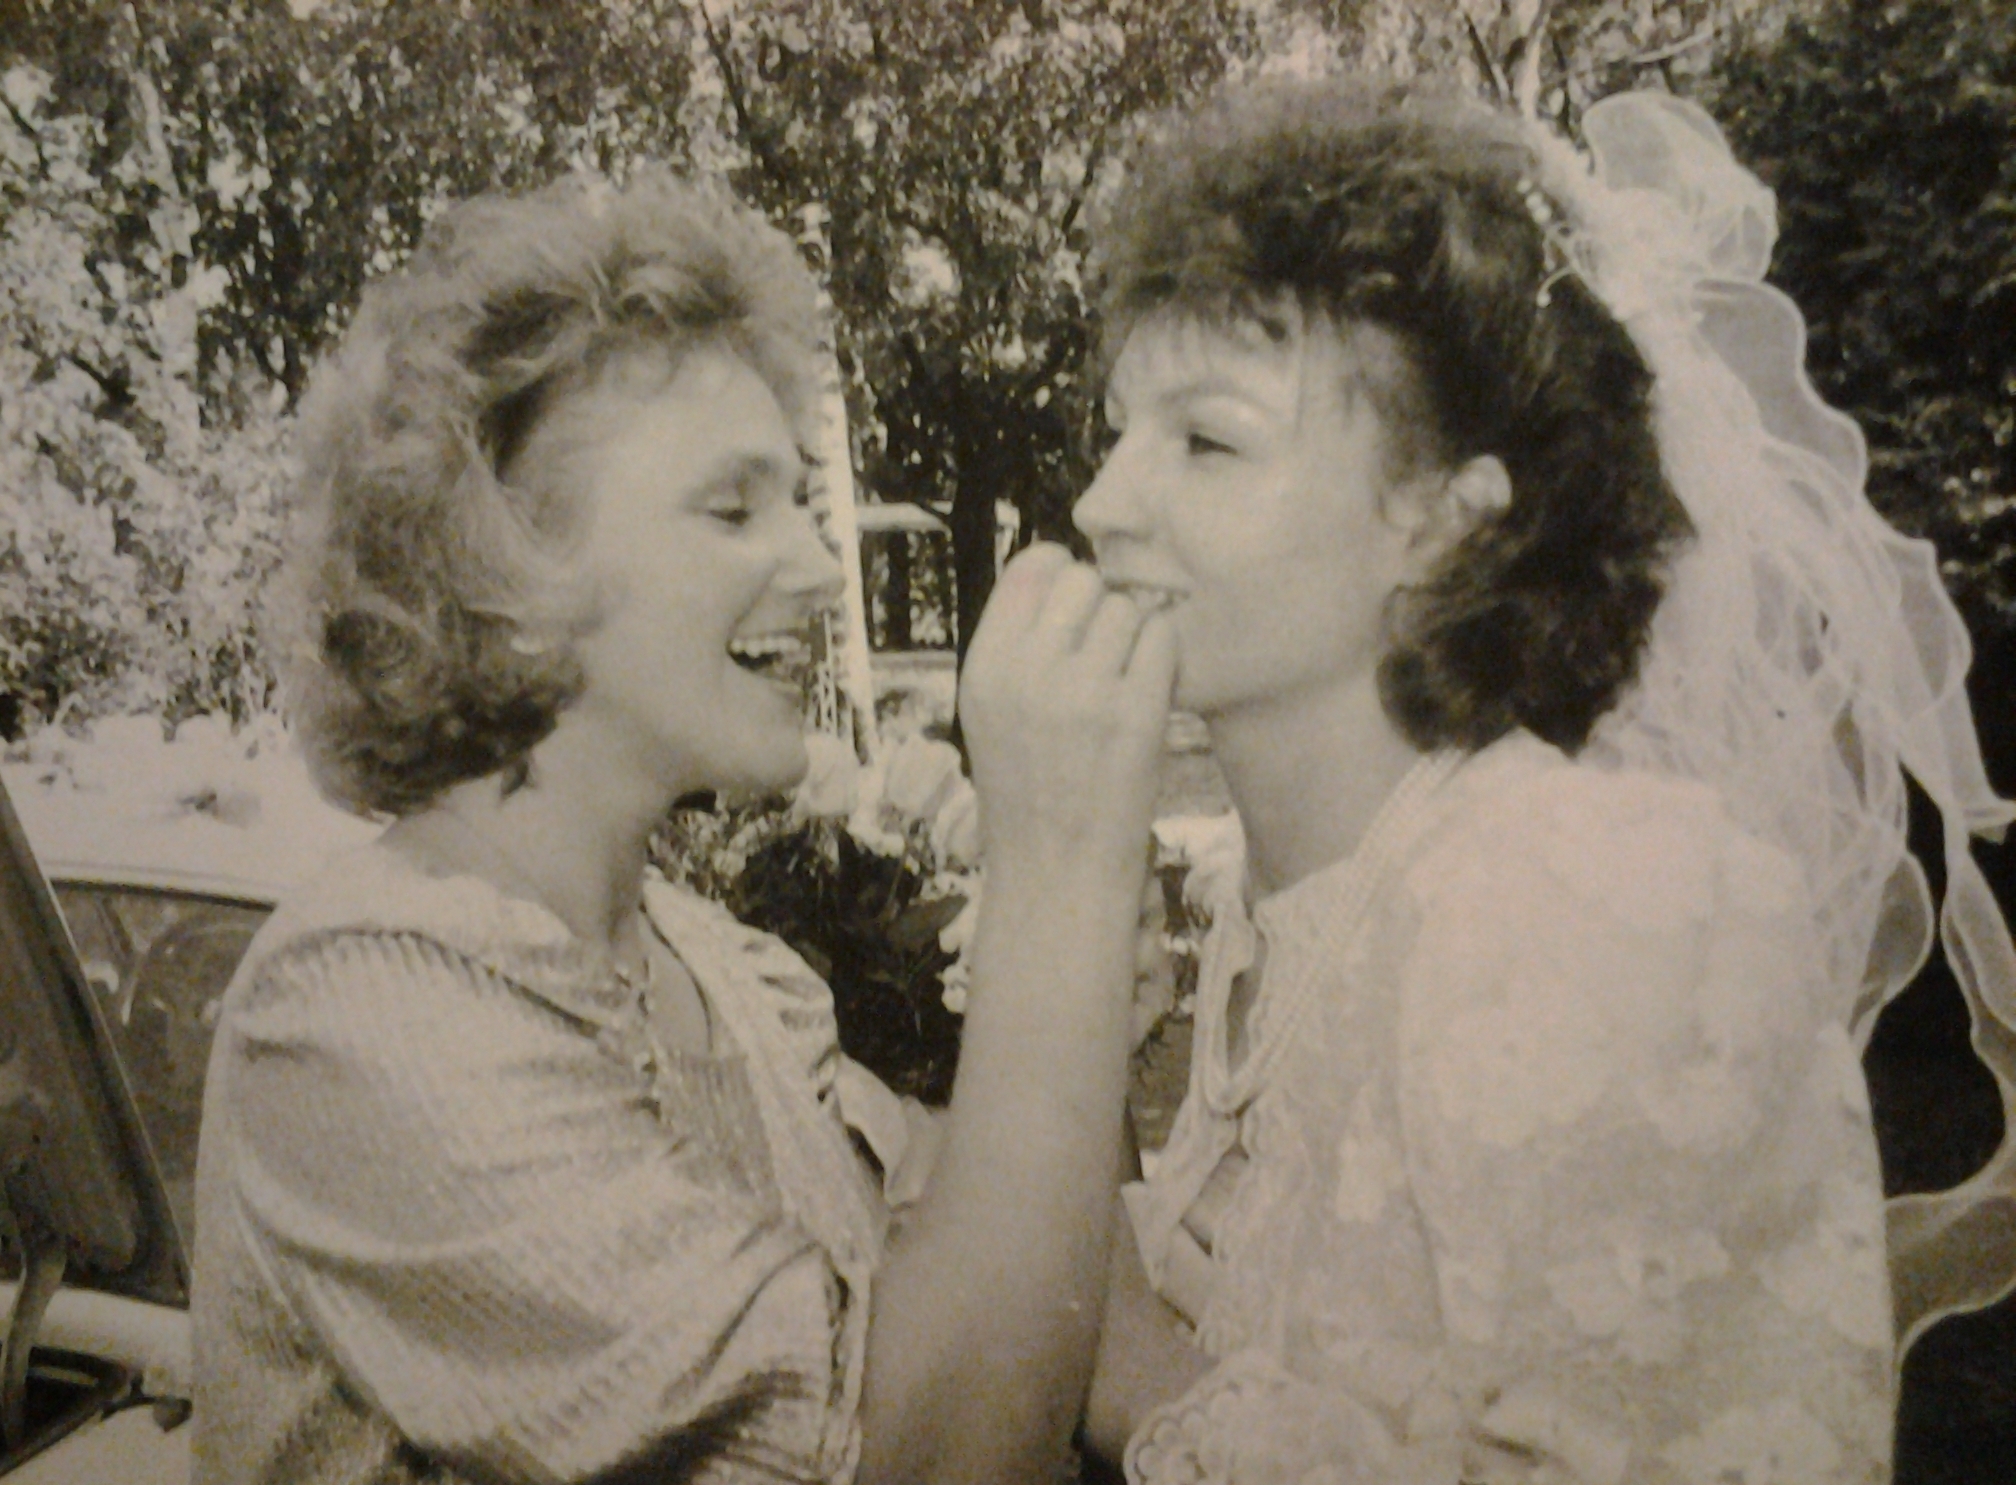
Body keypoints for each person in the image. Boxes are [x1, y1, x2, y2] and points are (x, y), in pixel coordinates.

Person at [1070, 78, 2016, 1482]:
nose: (1098, 505)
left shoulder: (1601, 901)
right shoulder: (1290, 908)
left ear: (1442, 522)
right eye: (1116, 431)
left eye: (1205, 440)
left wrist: (1128, 1374)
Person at [190, 170, 1174, 1484]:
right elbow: (925, 1449)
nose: (819, 568)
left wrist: (1079, 989)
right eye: (733, 507)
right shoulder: (361, 1012)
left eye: (798, 505)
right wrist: (1058, 889)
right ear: (507, 565)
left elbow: (1035, 1288)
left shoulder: (727, 979)